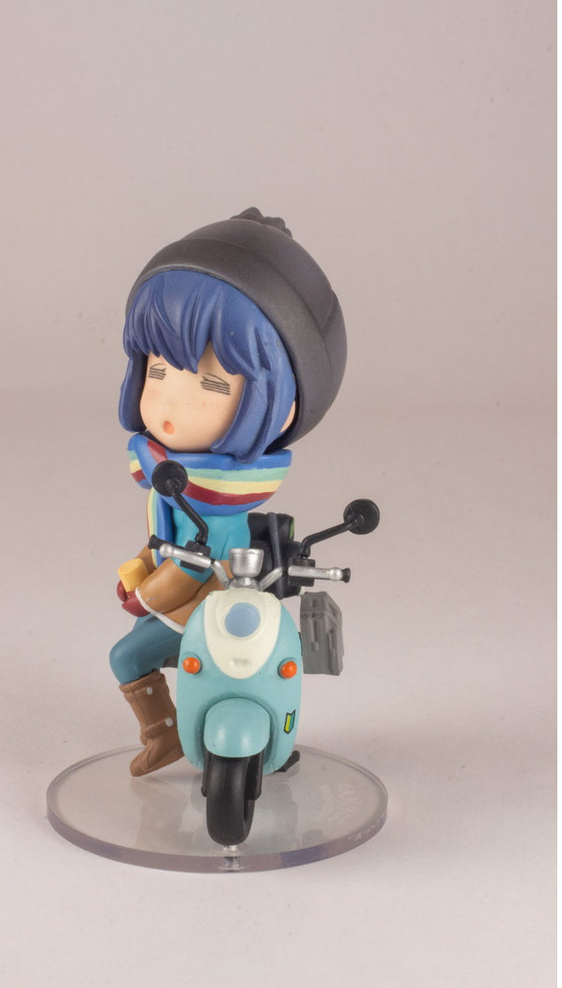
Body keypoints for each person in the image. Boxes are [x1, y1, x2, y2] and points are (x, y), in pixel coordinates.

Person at [110, 208, 348, 776]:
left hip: (206, 599)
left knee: (125, 656)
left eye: (212, 383)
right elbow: (165, 542)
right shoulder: (169, 475)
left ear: (282, 405)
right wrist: (140, 566)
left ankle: (163, 734)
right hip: (185, 593)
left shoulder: (214, 498)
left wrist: (143, 598)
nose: (170, 404)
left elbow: (192, 565)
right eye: (159, 372)